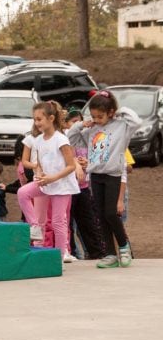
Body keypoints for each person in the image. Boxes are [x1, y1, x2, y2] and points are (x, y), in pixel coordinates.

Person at [67, 90, 140, 269]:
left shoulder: (122, 127)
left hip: (113, 175)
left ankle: (123, 246)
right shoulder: (92, 129)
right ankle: (109, 254)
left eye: (100, 116)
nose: (96, 119)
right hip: (96, 175)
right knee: (100, 215)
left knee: (110, 213)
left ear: (110, 112)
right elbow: (72, 138)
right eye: (93, 116)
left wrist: (118, 111)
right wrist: (81, 125)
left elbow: (136, 121)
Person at [22, 101, 80, 264]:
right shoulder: (38, 140)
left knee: (57, 221)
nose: (36, 123)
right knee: (23, 193)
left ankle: (61, 255)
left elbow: (70, 166)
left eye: (39, 119)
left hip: (61, 186)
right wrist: (40, 175)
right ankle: (35, 227)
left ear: (51, 118)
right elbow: (39, 163)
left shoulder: (61, 139)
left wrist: (52, 178)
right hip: (46, 183)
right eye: (35, 119)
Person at [64, 109, 105, 260]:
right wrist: (75, 162)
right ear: (66, 124)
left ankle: (96, 252)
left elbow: (97, 160)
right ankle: (71, 252)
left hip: (83, 187)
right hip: (68, 188)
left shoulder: (87, 138)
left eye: (79, 121)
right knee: (67, 223)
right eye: (74, 122)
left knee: (88, 222)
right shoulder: (65, 138)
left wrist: (87, 163)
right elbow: (66, 154)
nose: (79, 125)